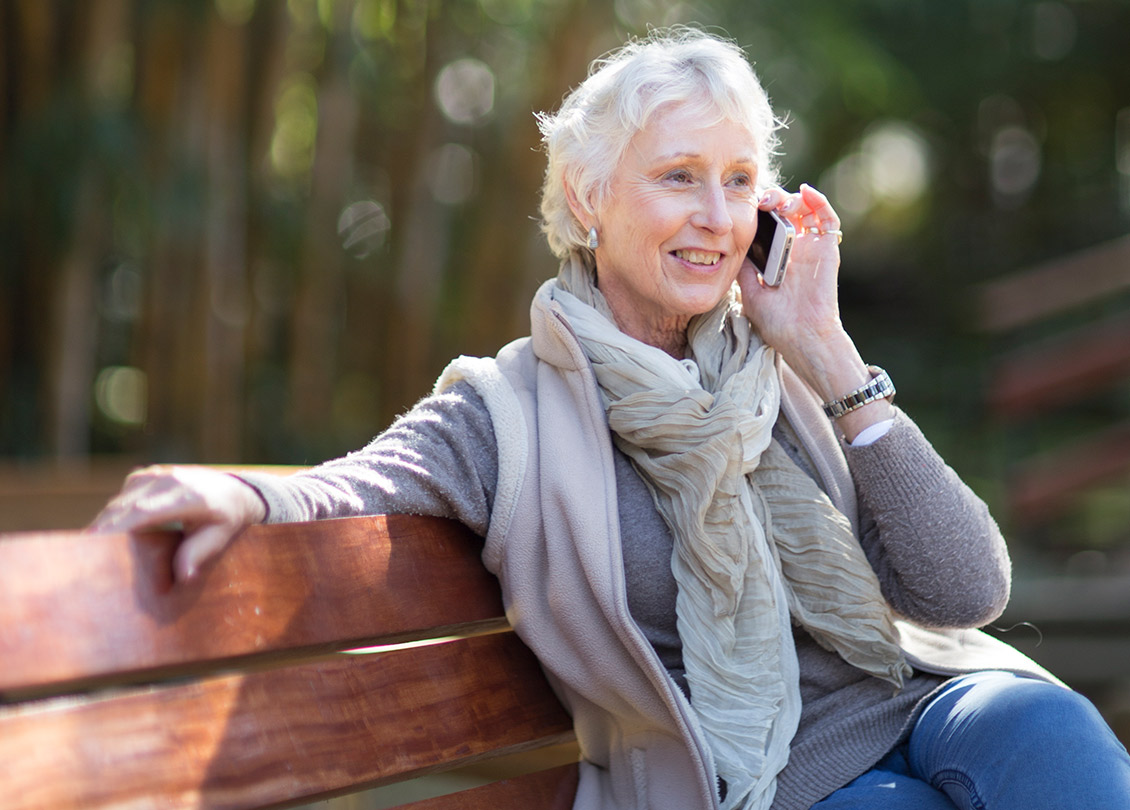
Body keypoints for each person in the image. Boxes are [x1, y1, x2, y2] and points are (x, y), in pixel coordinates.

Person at [91, 27, 1130, 810]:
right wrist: (234, 490)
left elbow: (963, 593)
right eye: (677, 178)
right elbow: (353, 487)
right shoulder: (506, 410)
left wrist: (825, 349)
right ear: (587, 199)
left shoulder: (782, 369)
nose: (715, 219)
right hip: (756, 775)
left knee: (1046, 724)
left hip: (914, 698)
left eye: (735, 183)